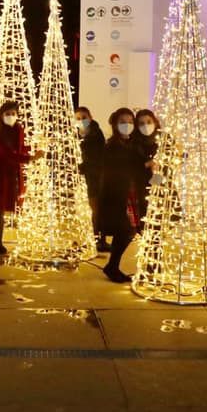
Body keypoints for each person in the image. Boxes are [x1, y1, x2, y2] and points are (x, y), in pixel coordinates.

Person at [0, 101, 40, 254]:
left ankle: (0, 241)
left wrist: (33, 149)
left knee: (1, 208)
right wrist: (30, 158)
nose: (11, 116)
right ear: (1, 115)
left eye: (13, 114)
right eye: (7, 114)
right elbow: (7, 154)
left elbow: (18, 149)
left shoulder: (19, 130)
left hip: (8, 173)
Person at [98, 108, 142, 282]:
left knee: (127, 231)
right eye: (123, 122)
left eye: (130, 122)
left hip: (129, 194)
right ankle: (112, 266)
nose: (127, 125)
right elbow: (117, 171)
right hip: (117, 196)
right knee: (125, 230)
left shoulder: (131, 144)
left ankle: (112, 266)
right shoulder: (112, 146)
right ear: (116, 125)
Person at [76, 106, 108, 252]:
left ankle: (97, 239)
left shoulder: (96, 135)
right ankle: (88, 237)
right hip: (82, 178)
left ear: (90, 117)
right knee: (86, 209)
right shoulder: (76, 136)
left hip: (95, 177)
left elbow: (96, 158)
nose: (82, 121)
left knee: (96, 209)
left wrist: (81, 167)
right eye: (78, 118)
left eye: (84, 117)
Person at [132, 108, 160, 233]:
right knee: (145, 209)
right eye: (141, 123)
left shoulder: (163, 138)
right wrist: (147, 164)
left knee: (160, 206)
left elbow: (172, 155)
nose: (146, 126)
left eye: (148, 122)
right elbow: (132, 163)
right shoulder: (134, 141)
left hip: (160, 178)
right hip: (142, 181)